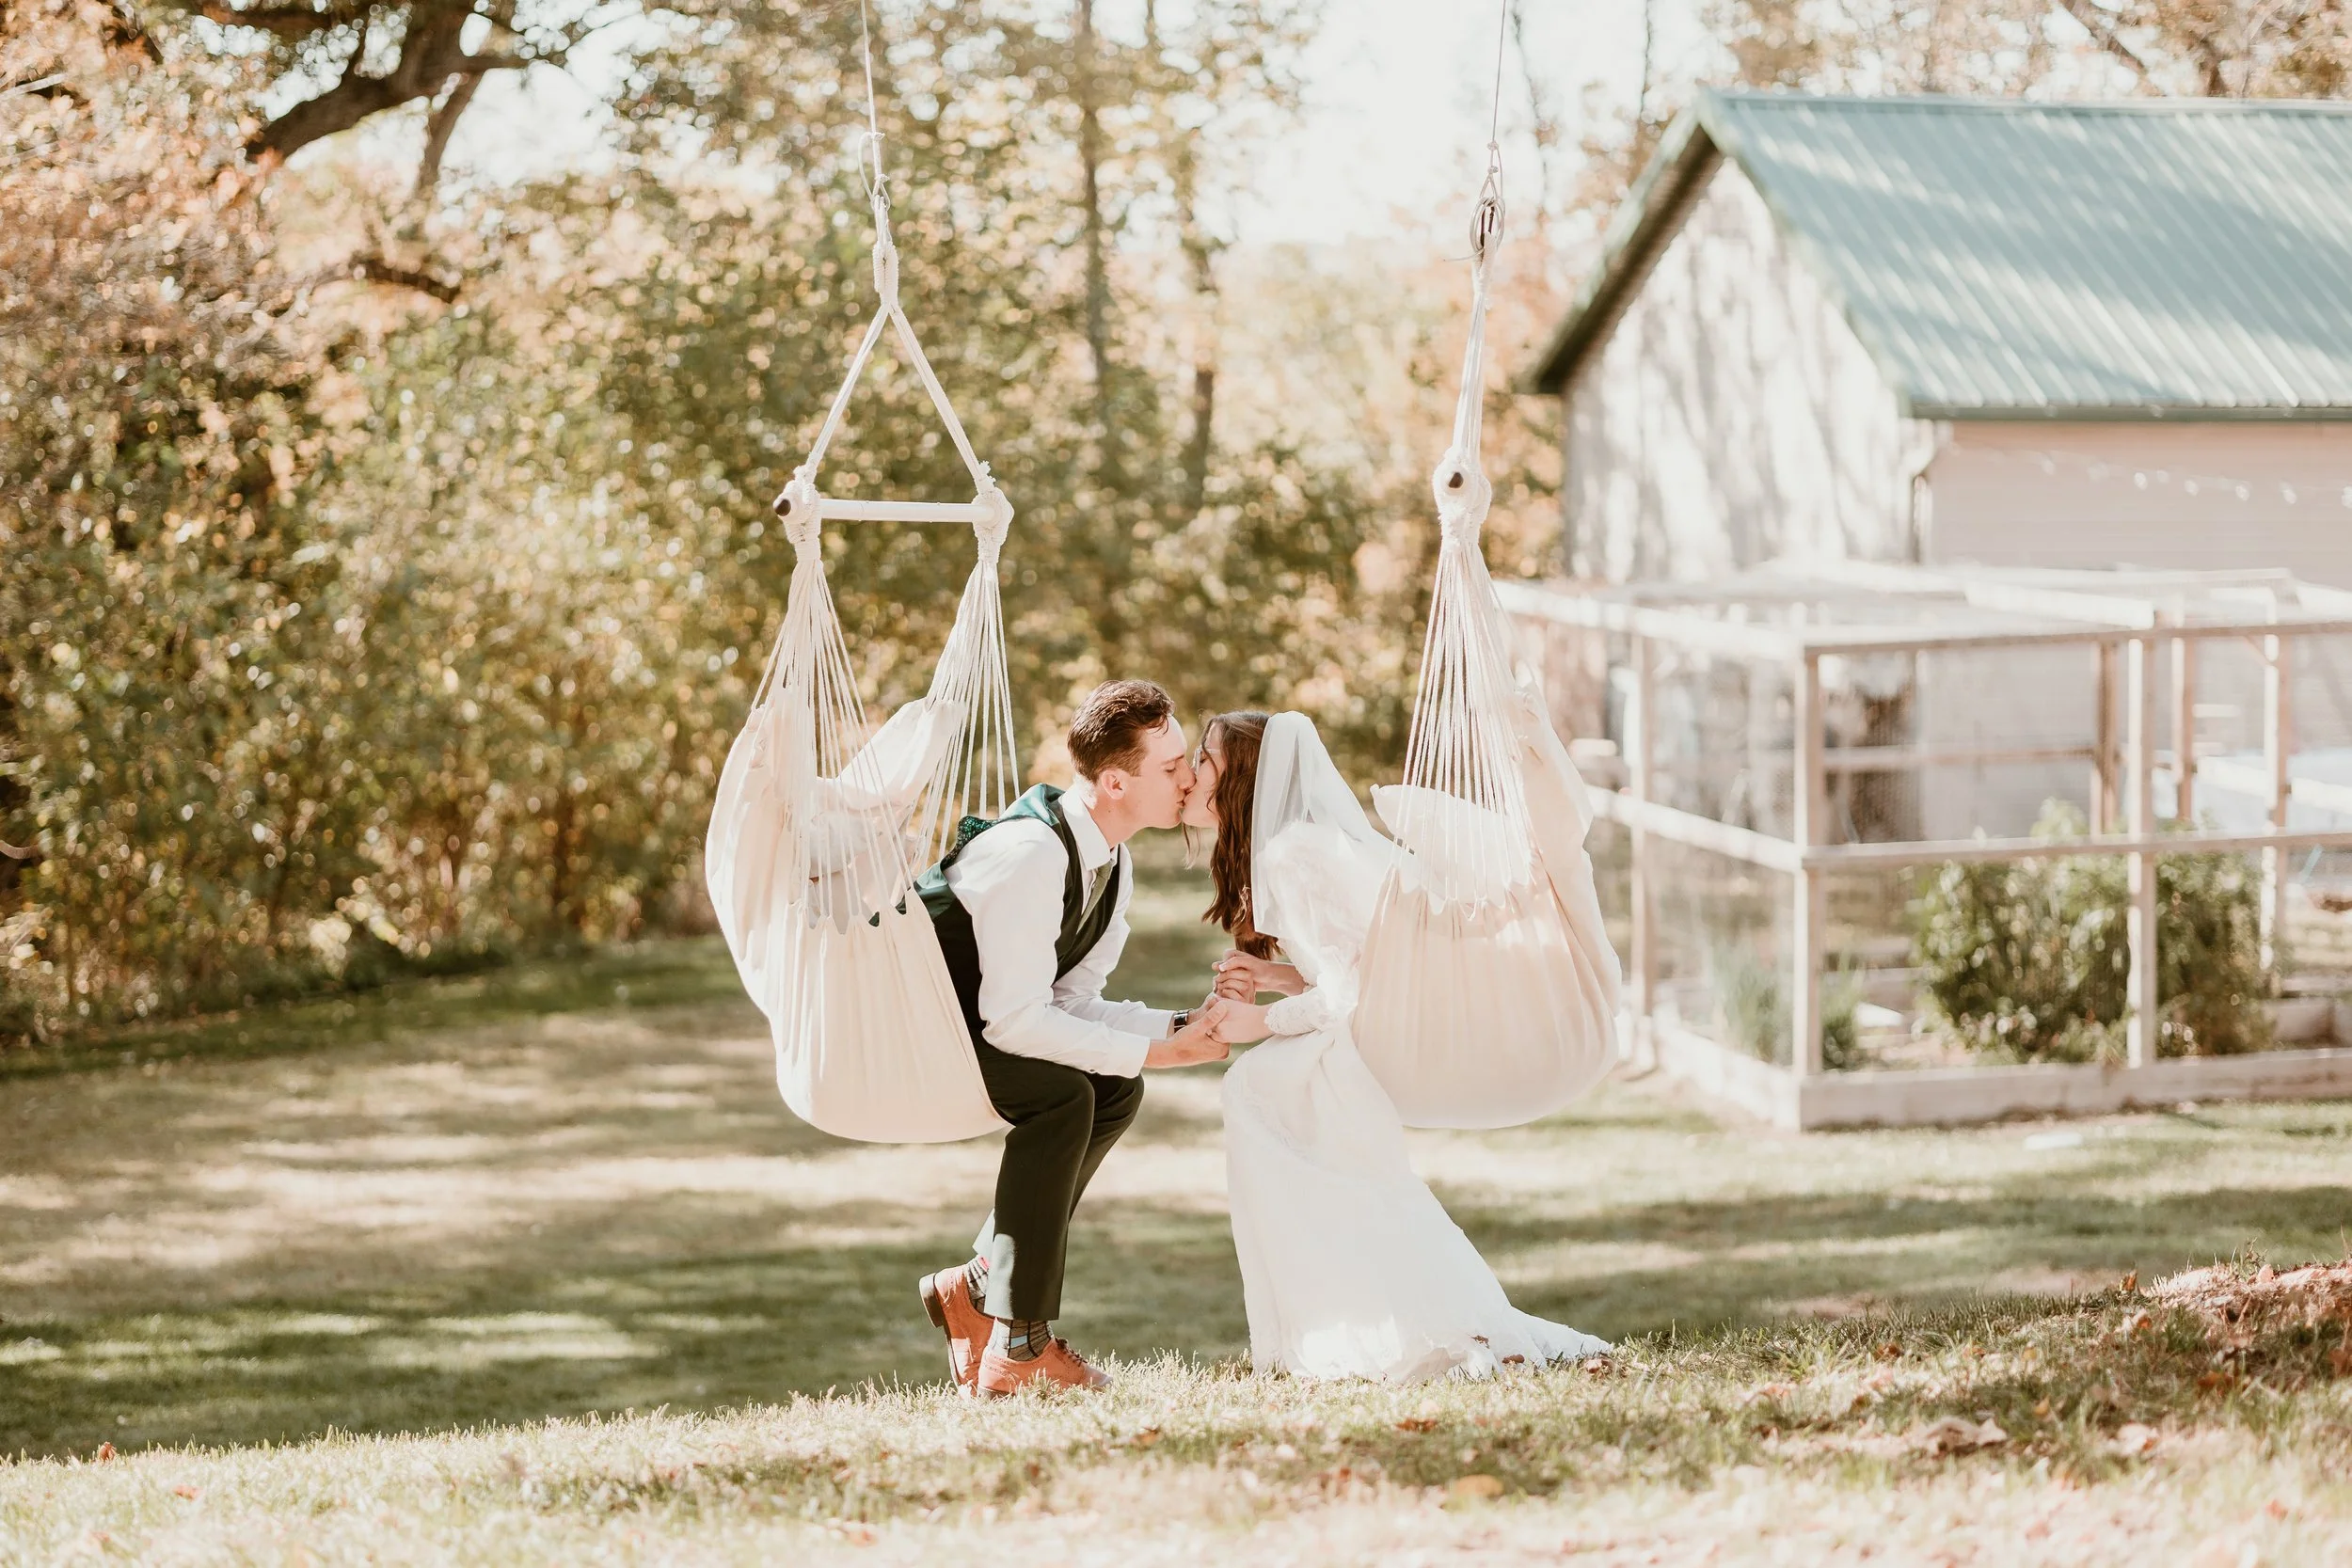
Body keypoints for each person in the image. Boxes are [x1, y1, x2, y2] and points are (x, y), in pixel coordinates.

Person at [1185, 709, 1610, 1381]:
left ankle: (1339, 1322)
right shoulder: (1298, 845)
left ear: (1238, 778)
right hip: (1373, 1028)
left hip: (1378, 1040)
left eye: (1203, 760)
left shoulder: (1292, 854)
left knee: (1255, 1086)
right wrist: (1273, 977)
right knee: (1292, 1117)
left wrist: (1257, 1024)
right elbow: (1358, 962)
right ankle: (1359, 1316)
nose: (1189, 771)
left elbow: (1347, 994)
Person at [912, 679, 1232, 1398]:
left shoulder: (1111, 862)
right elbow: (1017, 1021)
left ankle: (978, 1287)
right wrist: (1158, 1046)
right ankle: (1017, 1343)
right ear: (1116, 781)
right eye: (1172, 765)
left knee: (1113, 1089)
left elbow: (1070, 1002)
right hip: (920, 1036)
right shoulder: (1033, 852)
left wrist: (1178, 1028)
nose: (1188, 777)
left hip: (981, 1025)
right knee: (1063, 1098)